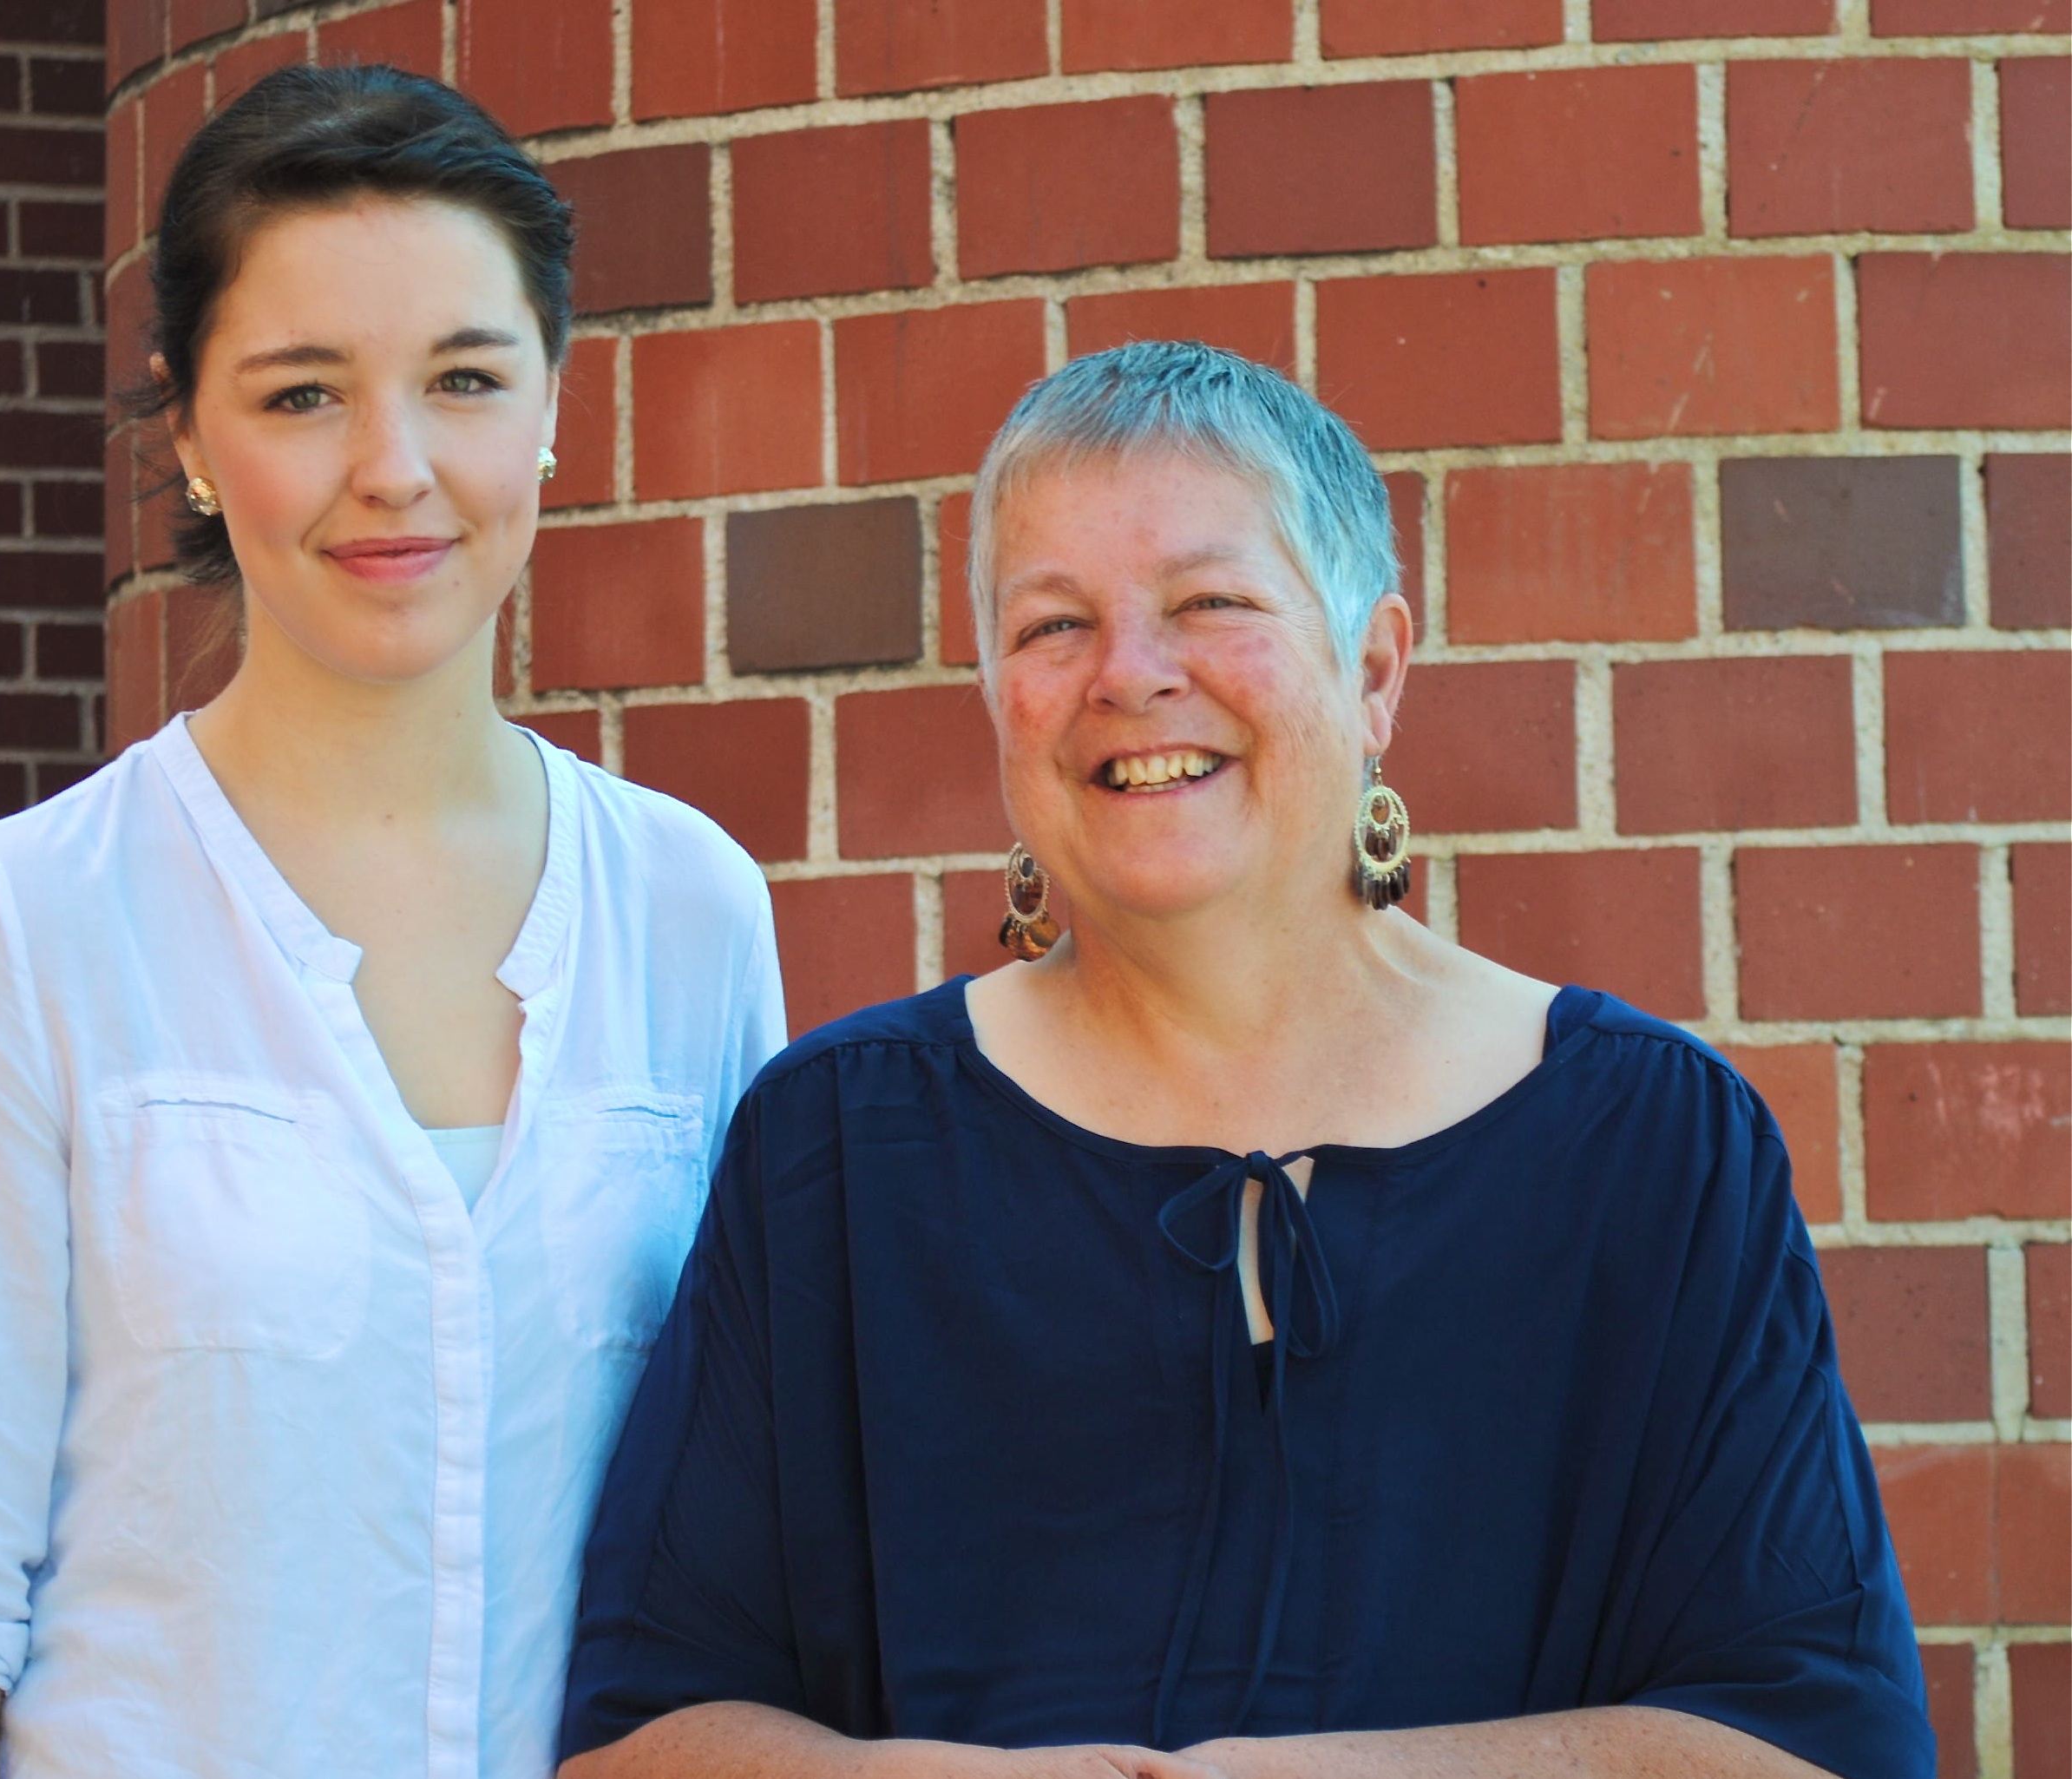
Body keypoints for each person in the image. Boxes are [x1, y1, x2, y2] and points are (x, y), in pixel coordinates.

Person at [557, 343, 1931, 1779]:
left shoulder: (1656, 1145)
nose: (1128, 675)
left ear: (1376, 669)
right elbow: (641, 1737)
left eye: (1210, 603)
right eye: (1051, 626)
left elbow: (1822, 1742)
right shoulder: (833, 1150)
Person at [0, 64, 785, 1778]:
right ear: (187, 431)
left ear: (550, 403)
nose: (392, 470)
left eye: (463, 379)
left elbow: (752, 1531)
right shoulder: (26, 923)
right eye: (302, 392)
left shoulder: (690, 906)